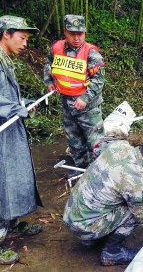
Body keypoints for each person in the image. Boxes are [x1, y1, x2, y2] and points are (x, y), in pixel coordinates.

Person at [63, 103, 143, 266]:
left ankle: (93, 238)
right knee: (138, 211)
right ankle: (112, 252)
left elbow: (119, 178)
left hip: (72, 215)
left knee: (131, 200)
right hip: (84, 227)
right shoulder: (137, 182)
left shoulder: (120, 147)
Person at [0, 15, 43, 265]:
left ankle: (11, 222)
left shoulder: (6, 60)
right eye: (22, 38)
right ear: (6, 33)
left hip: (10, 130)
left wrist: (22, 105)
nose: (25, 43)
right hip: (3, 131)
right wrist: (14, 109)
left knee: (13, 177)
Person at [43, 15, 105, 179]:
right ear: (65, 32)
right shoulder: (57, 48)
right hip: (67, 104)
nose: (77, 37)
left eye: (80, 33)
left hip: (89, 108)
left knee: (95, 143)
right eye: (72, 33)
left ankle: (102, 173)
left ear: (85, 33)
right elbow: (48, 64)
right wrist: (49, 81)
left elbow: (99, 81)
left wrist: (84, 98)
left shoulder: (91, 53)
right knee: (74, 141)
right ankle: (81, 170)